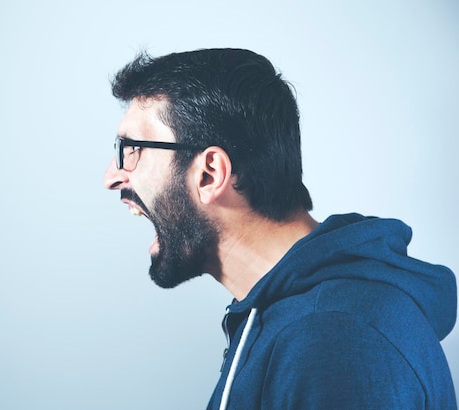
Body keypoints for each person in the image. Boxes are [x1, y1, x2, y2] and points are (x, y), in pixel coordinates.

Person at [102, 48, 457, 409]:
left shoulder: (333, 337)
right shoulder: (292, 318)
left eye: (131, 148)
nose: (111, 177)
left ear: (209, 173)